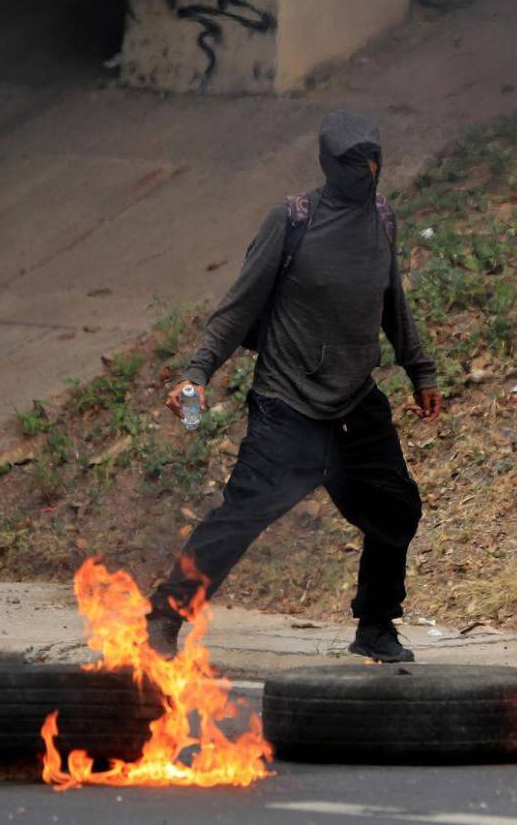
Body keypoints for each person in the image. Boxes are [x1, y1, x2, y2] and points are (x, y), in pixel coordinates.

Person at [149, 110, 442, 663]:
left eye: (374, 158)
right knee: (242, 514)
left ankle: (375, 626)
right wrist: (197, 373)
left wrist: (419, 369)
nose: (369, 169)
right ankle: (165, 616)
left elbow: (391, 302)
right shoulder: (291, 220)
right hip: (289, 403)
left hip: (355, 401)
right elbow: (237, 308)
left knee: (396, 509)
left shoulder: (383, 218)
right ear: (329, 165)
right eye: (355, 162)